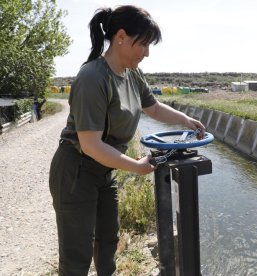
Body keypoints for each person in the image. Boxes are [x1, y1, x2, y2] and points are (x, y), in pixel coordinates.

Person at [49, 5, 205, 276]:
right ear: (121, 37)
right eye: (143, 44)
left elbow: (153, 108)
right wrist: (136, 166)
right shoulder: (92, 78)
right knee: (77, 255)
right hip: (76, 172)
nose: (147, 53)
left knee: (108, 242)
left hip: (104, 172)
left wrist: (184, 119)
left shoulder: (132, 74)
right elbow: (90, 144)